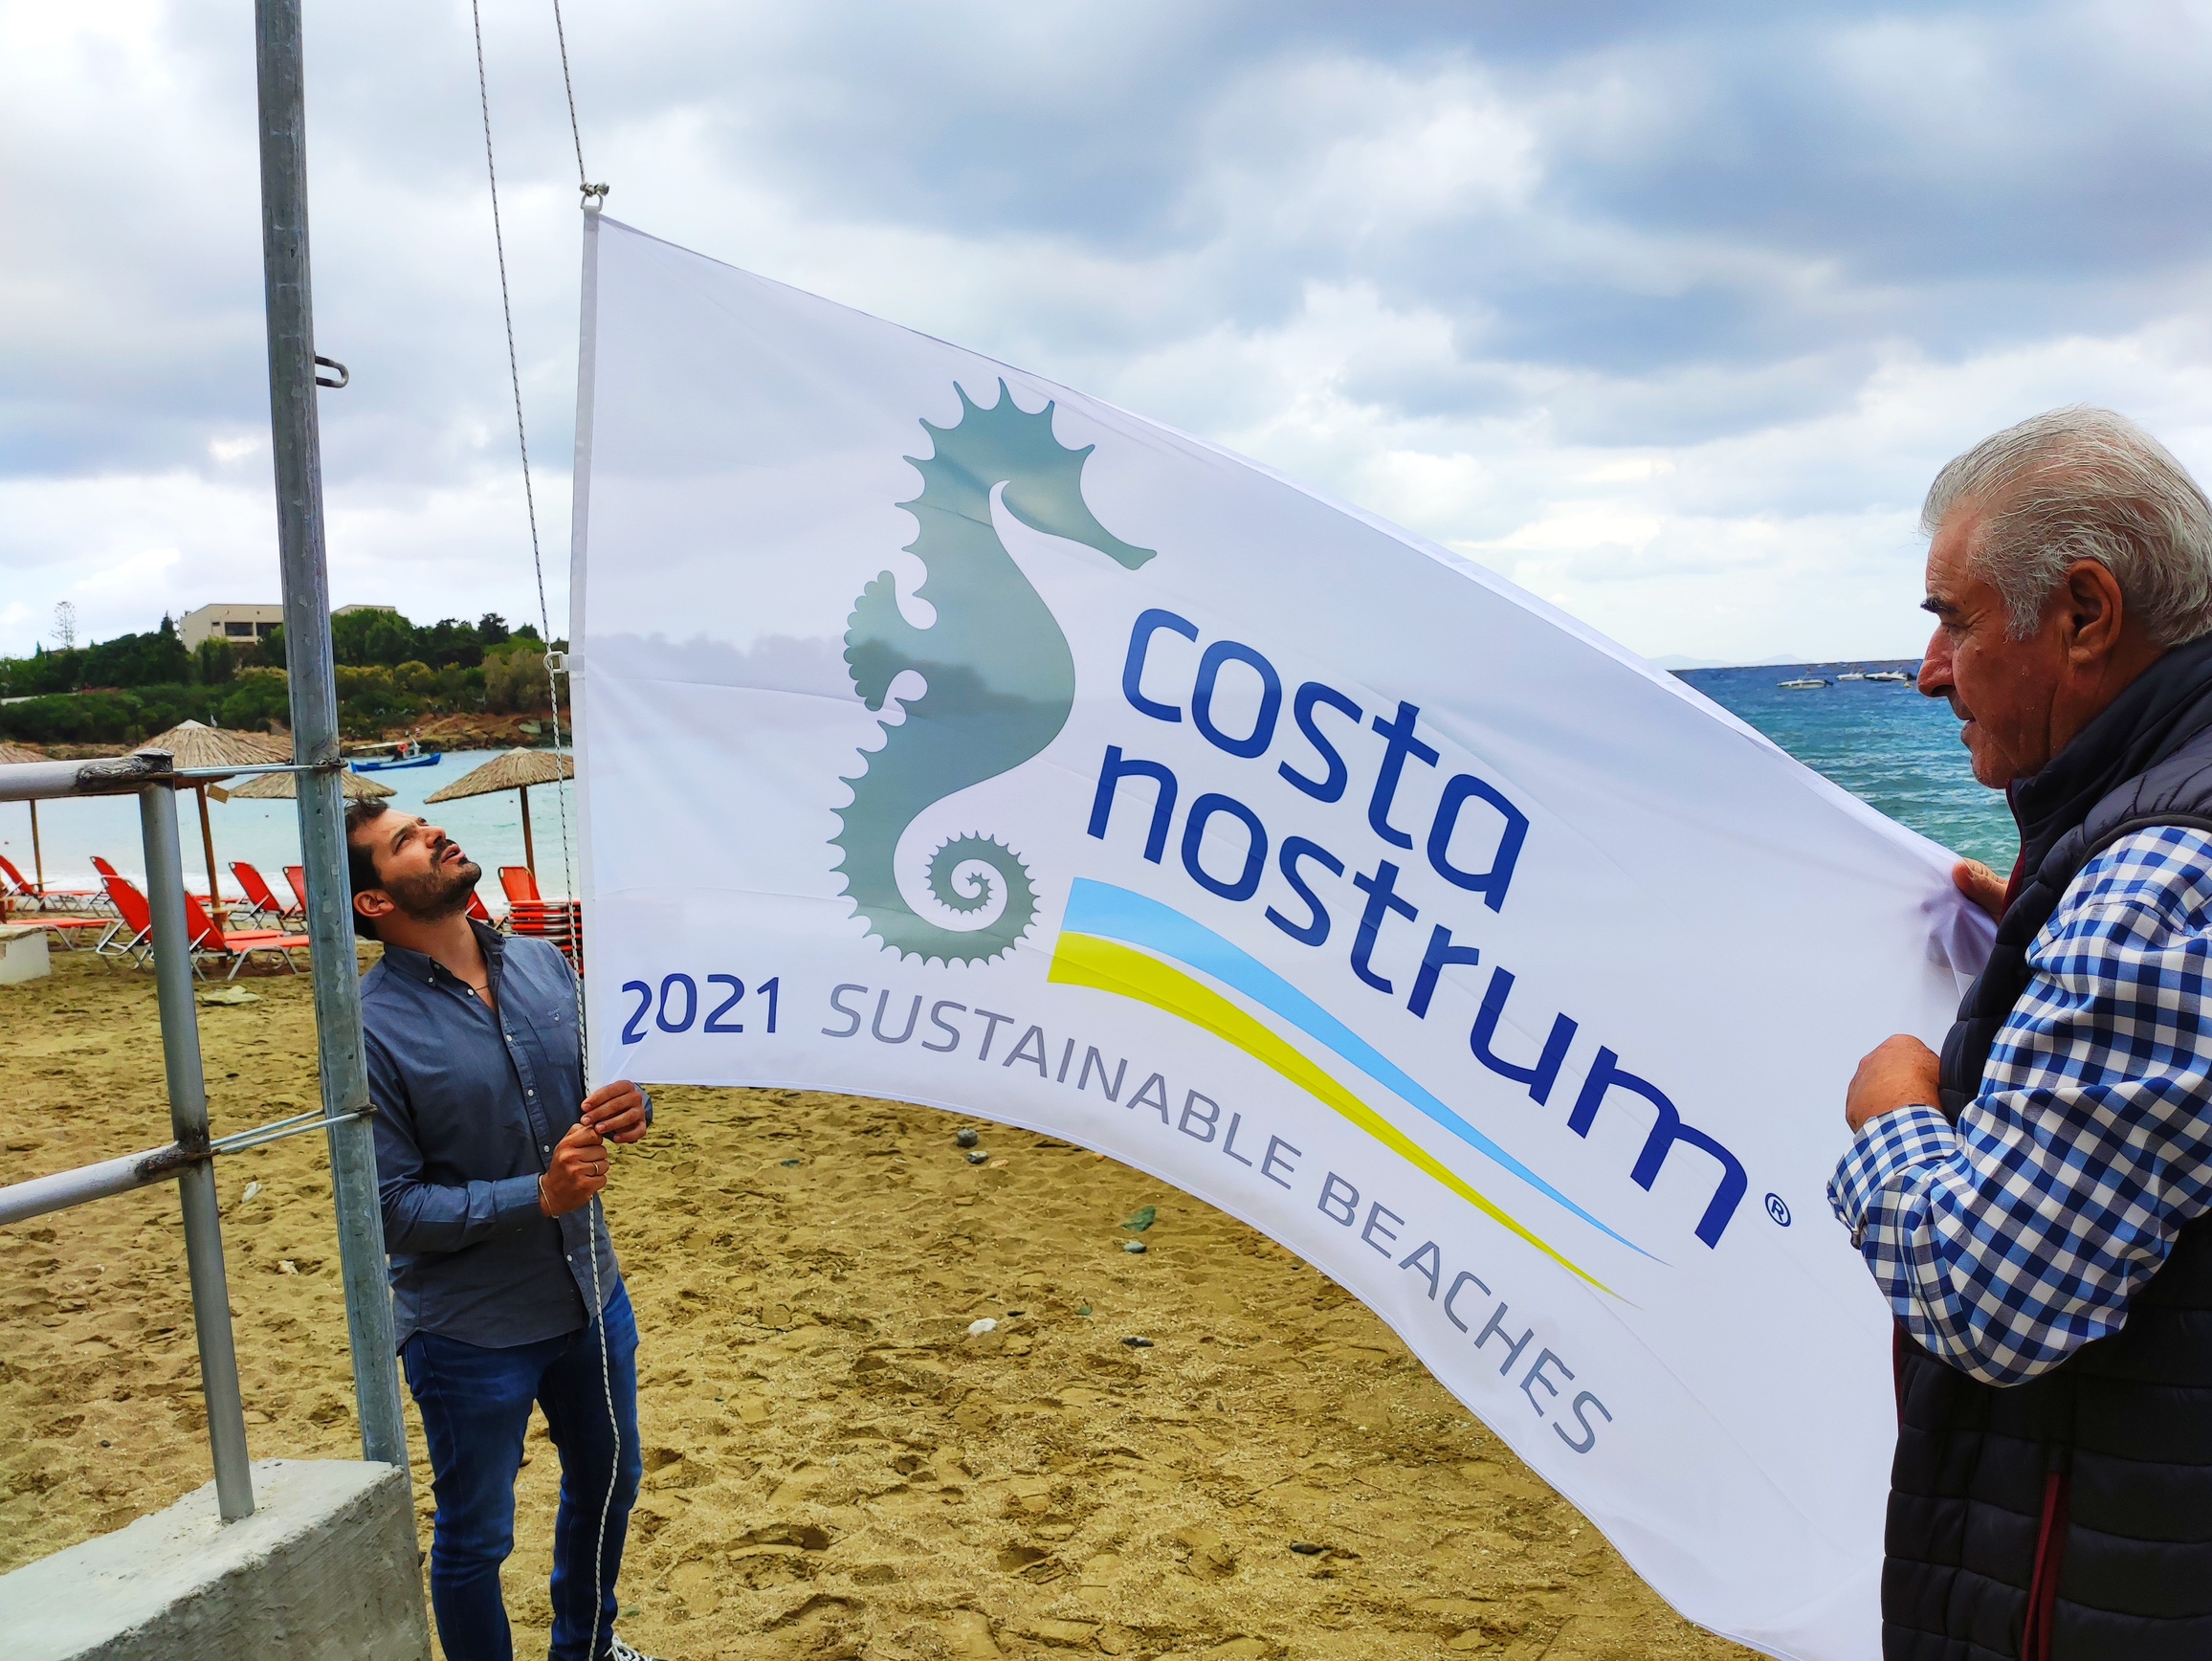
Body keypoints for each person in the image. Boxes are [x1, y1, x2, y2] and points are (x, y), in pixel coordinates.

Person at [1831, 407, 2212, 1660]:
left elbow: (1991, 1294)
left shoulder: (2159, 885)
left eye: (1954, 619)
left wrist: (1892, 1111)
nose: (1929, 670)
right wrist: (2053, 960)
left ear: (2086, 613)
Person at [346, 799, 663, 1661]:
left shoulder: (543, 963)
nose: (433, 835)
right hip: (469, 1331)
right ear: (374, 902)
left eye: (422, 824)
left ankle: (588, 1649)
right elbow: (390, 1210)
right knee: (477, 1537)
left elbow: (611, 1078)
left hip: (591, 1294)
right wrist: (539, 1195)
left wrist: (635, 1103)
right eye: (405, 842)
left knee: (611, 1484)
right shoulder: (365, 1028)